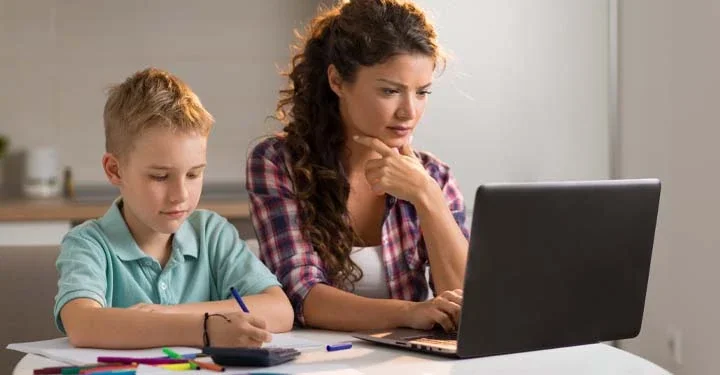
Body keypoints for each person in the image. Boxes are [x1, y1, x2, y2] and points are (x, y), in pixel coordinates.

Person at [247, 0, 469, 332]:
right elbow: (303, 296)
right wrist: (410, 312)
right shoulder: (278, 162)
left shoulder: (434, 176)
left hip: (410, 362)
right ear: (337, 81)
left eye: (422, 92)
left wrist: (427, 196)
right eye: (390, 91)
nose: (409, 112)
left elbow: (465, 302)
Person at [54, 68, 293, 349]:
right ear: (115, 169)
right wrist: (206, 329)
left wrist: (168, 314)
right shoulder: (89, 244)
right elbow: (83, 324)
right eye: (160, 176)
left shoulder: (212, 234)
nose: (180, 195)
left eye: (193, 174)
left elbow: (280, 310)